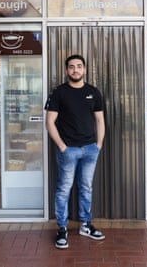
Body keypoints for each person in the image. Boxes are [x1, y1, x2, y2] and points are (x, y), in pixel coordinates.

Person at [45, 54, 106, 249]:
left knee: (86, 187)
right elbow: (49, 122)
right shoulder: (59, 93)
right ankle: (61, 229)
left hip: (90, 149)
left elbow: (100, 120)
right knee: (64, 189)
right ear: (66, 71)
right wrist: (62, 146)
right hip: (68, 150)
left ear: (85, 69)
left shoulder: (93, 92)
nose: (75, 70)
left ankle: (85, 225)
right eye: (71, 67)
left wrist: (99, 144)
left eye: (79, 66)